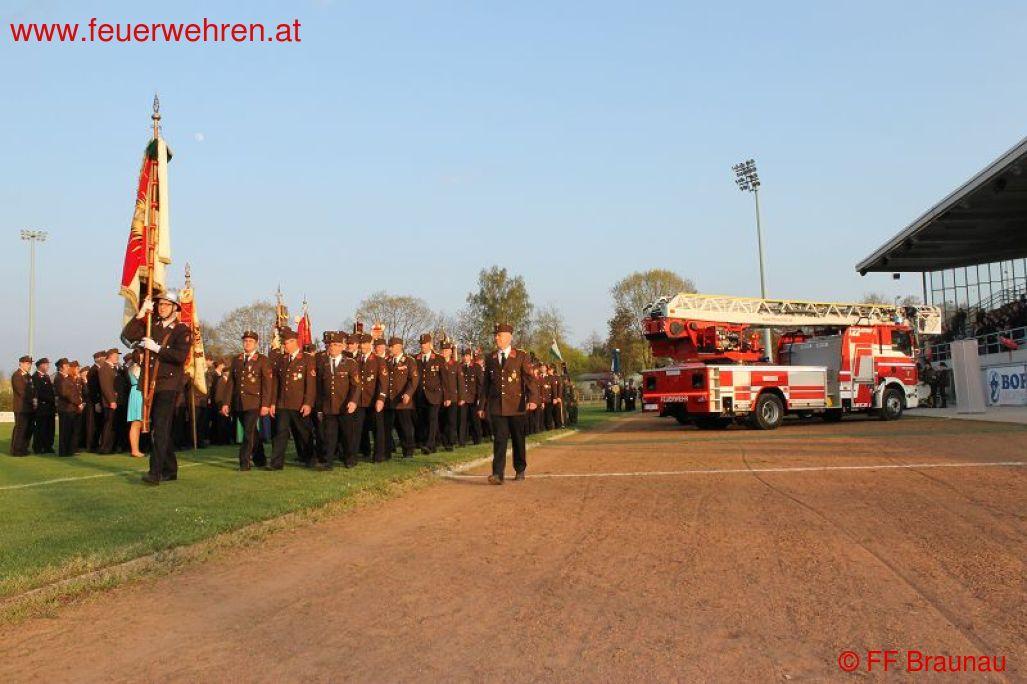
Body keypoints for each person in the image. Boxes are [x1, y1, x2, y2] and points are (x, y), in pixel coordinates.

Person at [121, 290, 193, 486]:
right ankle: (170, 469)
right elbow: (126, 337)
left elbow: (179, 357)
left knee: (159, 428)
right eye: (160, 304)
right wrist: (142, 313)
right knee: (161, 429)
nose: (162, 308)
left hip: (168, 385)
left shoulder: (182, 330)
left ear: (175, 308)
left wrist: (157, 348)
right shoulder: (151, 326)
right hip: (149, 383)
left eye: (166, 305)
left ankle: (155, 472)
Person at [478, 323, 539, 485]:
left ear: (509, 337)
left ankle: (520, 468)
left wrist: (533, 399)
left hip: (516, 405)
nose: (496, 338)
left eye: (500, 335)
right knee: (499, 439)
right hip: (497, 407)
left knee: (518, 439)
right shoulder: (490, 358)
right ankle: (497, 474)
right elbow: (485, 385)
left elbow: (529, 379)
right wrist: (482, 406)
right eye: (496, 335)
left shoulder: (520, 356)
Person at [220, 331, 274, 470]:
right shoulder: (237, 359)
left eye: (250, 341)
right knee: (252, 433)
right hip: (239, 402)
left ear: (256, 343)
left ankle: (244, 462)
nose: (247, 343)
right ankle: (260, 459)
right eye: (245, 341)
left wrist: (265, 404)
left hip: (254, 401)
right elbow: (231, 383)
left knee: (248, 433)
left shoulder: (262, 359)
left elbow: (267, 384)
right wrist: (226, 402)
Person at [269, 327, 316, 470]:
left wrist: (308, 403)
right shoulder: (282, 360)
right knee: (280, 433)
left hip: (299, 403)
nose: (284, 346)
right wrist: (272, 403)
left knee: (304, 433)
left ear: (294, 342)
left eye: (287, 343)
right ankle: (276, 463)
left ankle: (309, 458)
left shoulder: (307, 359)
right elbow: (276, 383)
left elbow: (311, 384)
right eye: (283, 343)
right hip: (283, 404)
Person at [318, 331, 360, 469]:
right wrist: (319, 408)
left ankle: (349, 458)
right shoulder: (323, 364)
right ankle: (328, 461)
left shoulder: (350, 363)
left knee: (347, 435)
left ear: (342, 346)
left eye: (336, 345)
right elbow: (319, 388)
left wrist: (353, 401)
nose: (333, 348)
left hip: (345, 406)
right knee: (329, 436)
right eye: (330, 345)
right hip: (329, 406)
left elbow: (356, 385)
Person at [355, 333, 389, 463]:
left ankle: (379, 455)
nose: (362, 346)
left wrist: (381, 398)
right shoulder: (356, 360)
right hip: (360, 401)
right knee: (359, 429)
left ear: (370, 344)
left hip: (374, 400)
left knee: (377, 429)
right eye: (361, 343)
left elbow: (384, 381)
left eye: (364, 343)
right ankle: (362, 452)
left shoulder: (379, 360)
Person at [385, 337, 419, 458]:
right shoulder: (388, 361)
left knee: (405, 427)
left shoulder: (409, 361)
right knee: (393, 427)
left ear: (399, 346)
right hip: (390, 400)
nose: (390, 348)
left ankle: (408, 450)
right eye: (390, 346)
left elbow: (413, 379)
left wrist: (408, 393)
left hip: (403, 400)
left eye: (392, 346)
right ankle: (390, 451)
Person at [415, 333, 443, 454]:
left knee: (432, 419)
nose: (423, 346)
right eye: (421, 344)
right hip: (421, 395)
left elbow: (444, 379)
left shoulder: (438, 359)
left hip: (434, 395)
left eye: (425, 344)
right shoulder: (416, 359)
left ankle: (430, 444)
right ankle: (434, 441)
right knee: (423, 420)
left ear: (430, 344)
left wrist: (445, 396)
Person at [54, 358, 84, 457]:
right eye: (66, 366)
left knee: (71, 431)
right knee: (65, 431)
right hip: (65, 408)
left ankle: (70, 450)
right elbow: (65, 393)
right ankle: (64, 452)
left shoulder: (69, 377)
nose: (68, 367)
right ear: (60, 367)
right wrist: (78, 403)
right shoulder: (59, 378)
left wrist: (78, 402)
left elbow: (75, 391)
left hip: (72, 408)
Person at [10, 355, 36, 456]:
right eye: (27, 363)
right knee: (20, 429)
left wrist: (35, 398)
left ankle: (24, 448)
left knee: (28, 429)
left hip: (29, 408)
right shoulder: (17, 375)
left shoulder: (29, 376)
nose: (29, 365)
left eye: (30, 364)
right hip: (21, 408)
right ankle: (16, 450)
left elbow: (33, 390)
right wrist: (33, 400)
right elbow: (21, 391)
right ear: (20, 363)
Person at [96, 348, 121, 454]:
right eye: (116, 355)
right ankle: (104, 448)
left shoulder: (111, 368)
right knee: (108, 425)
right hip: (109, 402)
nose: (118, 357)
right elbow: (106, 386)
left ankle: (110, 447)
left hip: (113, 401)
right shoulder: (105, 368)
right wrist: (111, 400)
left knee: (112, 425)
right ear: (110, 355)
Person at [438, 341, 462, 451]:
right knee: (442, 421)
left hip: (453, 397)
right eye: (443, 350)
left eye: (447, 350)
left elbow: (460, 382)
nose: (444, 352)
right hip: (441, 397)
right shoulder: (438, 364)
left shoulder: (456, 365)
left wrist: (461, 397)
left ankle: (451, 443)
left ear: (451, 352)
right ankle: (444, 441)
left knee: (452, 421)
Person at [31, 357, 56, 454]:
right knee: (41, 428)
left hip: (50, 408)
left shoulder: (47, 377)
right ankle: (38, 447)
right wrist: (52, 399)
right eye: (46, 364)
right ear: (40, 365)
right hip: (42, 408)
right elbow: (39, 393)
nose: (48, 366)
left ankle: (48, 446)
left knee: (50, 428)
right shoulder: (35, 377)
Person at [458, 348, 481, 446]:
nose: (465, 358)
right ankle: (462, 441)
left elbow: (480, 383)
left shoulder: (476, 367)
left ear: (470, 356)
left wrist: (479, 397)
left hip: (473, 398)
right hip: (463, 398)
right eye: (463, 356)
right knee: (462, 420)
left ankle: (477, 440)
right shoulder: (459, 367)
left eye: (467, 355)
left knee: (475, 420)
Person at [125, 350, 145, 458]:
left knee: (139, 423)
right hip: (138, 393)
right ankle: (134, 449)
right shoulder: (136, 367)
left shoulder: (136, 367)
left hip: (138, 392)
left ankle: (136, 449)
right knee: (136, 423)